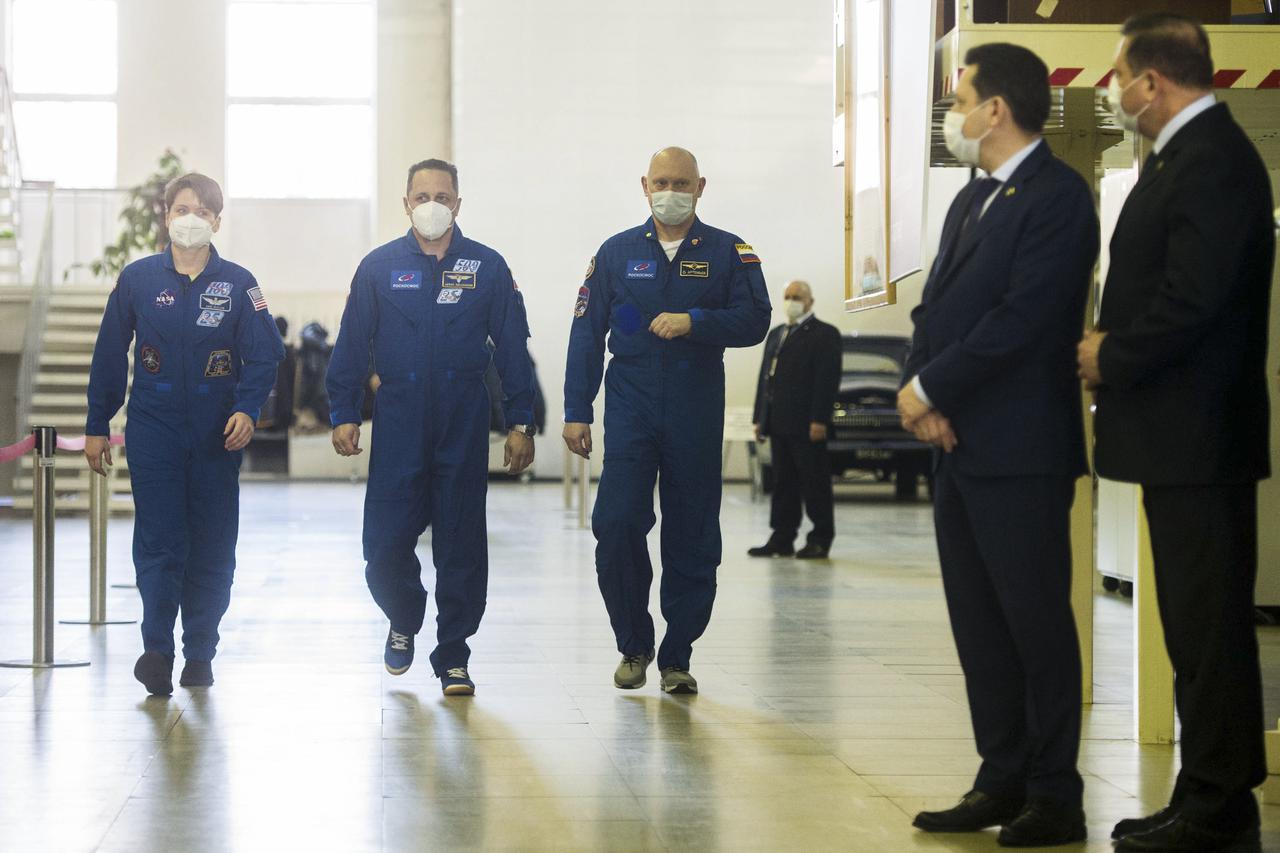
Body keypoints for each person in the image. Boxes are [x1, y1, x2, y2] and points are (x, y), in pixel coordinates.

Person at [1077, 14, 1274, 852]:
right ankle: (1205, 789)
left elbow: (1196, 298)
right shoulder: (1185, 158)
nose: (1114, 91)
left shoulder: (1215, 161)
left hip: (1200, 435)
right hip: (1177, 438)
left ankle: (1222, 801)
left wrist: (1109, 352)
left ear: (1151, 82)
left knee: (1210, 623)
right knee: (1193, 626)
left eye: (1119, 75)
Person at [897, 44, 1098, 847]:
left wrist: (933, 389)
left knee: (1034, 622)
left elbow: (1026, 321)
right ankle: (1001, 774)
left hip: (1021, 447)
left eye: (962, 97)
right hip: (959, 444)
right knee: (978, 622)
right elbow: (934, 313)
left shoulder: (1058, 197)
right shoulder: (970, 199)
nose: (955, 113)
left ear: (998, 110)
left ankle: (1055, 791)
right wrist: (921, 392)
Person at [563, 146, 770, 695]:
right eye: (661, 182)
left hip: (695, 406)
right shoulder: (615, 253)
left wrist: (695, 321)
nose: (670, 192)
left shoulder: (730, 251)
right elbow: (586, 334)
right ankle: (633, 644)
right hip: (630, 406)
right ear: (644, 185)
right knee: (617, 523)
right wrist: (576, 411)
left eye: (681, 182)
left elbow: (756, 319)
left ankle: (677, 654)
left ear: (701, 187)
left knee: (693, 535)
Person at [325, 158, 535, 696]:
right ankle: (404, 613)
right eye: (422, 196)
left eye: (443, 195)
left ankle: (454, 655)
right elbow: (351, 345)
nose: (432, 205)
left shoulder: (488, 268)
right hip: (399, 416)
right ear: (406, 203)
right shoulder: (377, 268)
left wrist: (521, 421)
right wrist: (344, 412)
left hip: (462, 415)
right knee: (385, 542)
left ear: (459, 204)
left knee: (461, 542)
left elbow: (513, 350)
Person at [84, 173, 285, 696]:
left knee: (212, 547)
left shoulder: (241, 285)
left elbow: (266, 356)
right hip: (154, 433)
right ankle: (156, 650)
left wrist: (247, 407)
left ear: (217, 221)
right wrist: (96, 424)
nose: (188, 218)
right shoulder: (138, 279)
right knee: (159, 541)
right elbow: (110, 353)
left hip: (218, 438)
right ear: (166, 215)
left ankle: (200, 650)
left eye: (200, 210)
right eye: (179, 208)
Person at [747, 280, 841, 559]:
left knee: (814, 483)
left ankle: (820, 537)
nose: (791, 301)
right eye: (787, 296)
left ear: (810, 301)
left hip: (807, 424)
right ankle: (782, 537)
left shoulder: (825, 334)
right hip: (778, 422)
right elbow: (766, 379)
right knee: (783, 483)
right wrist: (760, 418)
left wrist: (820, 420)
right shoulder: (777, 334)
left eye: (797, 296)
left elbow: (827, 381)